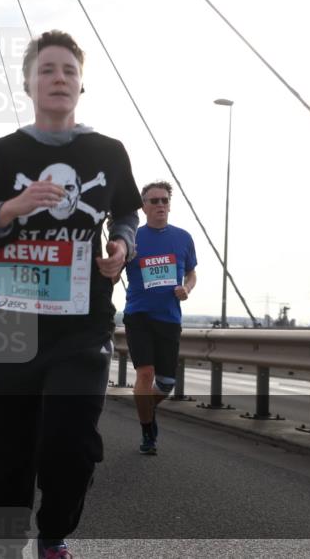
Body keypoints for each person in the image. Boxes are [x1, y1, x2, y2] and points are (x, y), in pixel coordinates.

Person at [0, 31, 141, 558]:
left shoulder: (109, 152)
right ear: (29, 83)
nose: (59, 78)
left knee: (69, 445)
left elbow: (127, 211)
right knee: (7, 457)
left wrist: (122, 245)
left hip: (81, 327)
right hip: (9, 327)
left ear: (81, 86)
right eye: (48, 70)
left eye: (69, 71)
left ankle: (53, 538)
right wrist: (12, 208)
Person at [124, 181, 197, 455]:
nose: (160, 205)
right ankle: (148, 433)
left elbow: (191, 273)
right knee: (145, 373)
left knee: (166, 383)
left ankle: (145, 410)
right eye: (153, 201)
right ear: (143, 207)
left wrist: (186, 288)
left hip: (168, 318)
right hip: (138, 315)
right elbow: (114, 268)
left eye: (164, 200)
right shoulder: (132, 237)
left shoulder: (183, 237)